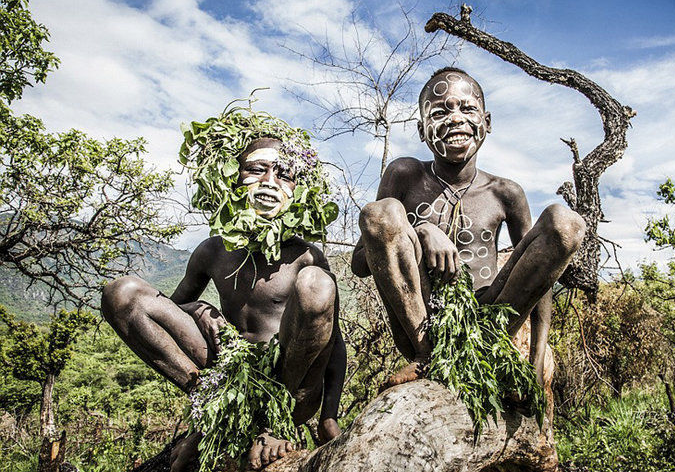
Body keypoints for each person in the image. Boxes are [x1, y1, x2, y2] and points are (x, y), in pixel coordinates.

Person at [102, 134, 346, 471]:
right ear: (233, 179)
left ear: (297, 189)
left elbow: (335, 339)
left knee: (317, 283)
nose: (268, 182)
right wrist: (200, 309)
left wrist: (329, 417)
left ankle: (269, 424)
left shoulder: (307, 255)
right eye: (256, 169)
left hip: (292, 387)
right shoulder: (214, 250)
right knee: (123, 292)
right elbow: (166, 314)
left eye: (283, 173)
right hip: (226, 377)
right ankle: (211, 411)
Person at [352, 67, 585, 391]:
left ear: (486, 122)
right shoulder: (404, 175)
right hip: (423, 322)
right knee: (384, 211)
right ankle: (428, 355)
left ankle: (488, 353)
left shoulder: (505, 193)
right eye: (440, 111)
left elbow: (541, 278)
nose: (455, 118)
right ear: (422, 129)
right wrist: (419, 229)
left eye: (467, 108)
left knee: (565, 221)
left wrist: (536, 360)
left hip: (487, 324)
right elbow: (361, 262)